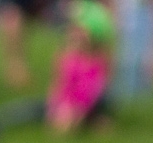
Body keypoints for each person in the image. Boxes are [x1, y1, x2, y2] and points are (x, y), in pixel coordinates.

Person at [46, 0, 114, 134]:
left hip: (87, 103)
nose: (72, 34)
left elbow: (92, 91)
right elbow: (59, 85)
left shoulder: (96, 62)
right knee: (29, 111)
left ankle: (93, 120)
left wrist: (77, 112)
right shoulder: (65, 57)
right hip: (65, 100)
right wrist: (56, 108)